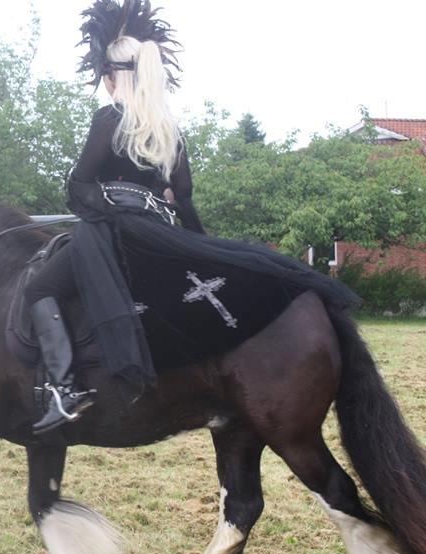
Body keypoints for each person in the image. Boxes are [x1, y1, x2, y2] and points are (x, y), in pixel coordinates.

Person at [24, 0, 358, 434]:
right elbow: (183, 199)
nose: (105, 85)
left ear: (115, 77)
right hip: (157, 234)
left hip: (114, 233)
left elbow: (80, 185)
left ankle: (65, 388)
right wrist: (202, 247)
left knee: (41, 287)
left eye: (106, 77)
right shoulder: (170, 132)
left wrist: (104, 210)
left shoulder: (109, 119)